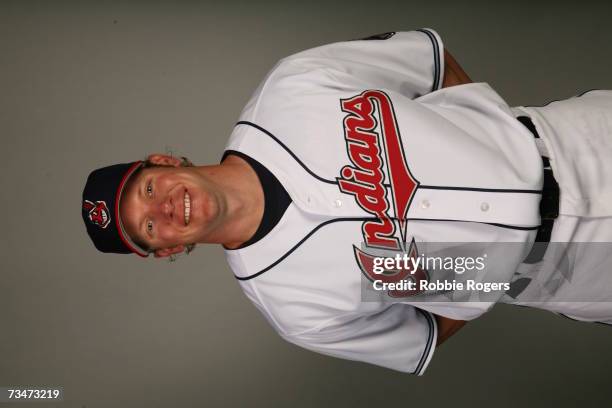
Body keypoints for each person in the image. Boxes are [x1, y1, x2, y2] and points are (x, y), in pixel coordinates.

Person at [81, 29, 612, 375]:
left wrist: (488, 135)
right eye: (149, 229)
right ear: (169, 251)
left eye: (146, 191)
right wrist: (475, 274)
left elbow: (427, 59)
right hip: (572, 273)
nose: (163, 210)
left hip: (578, 140)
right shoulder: (293, 307)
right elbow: (423, 334)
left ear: (164, 162)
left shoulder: (292, 88)